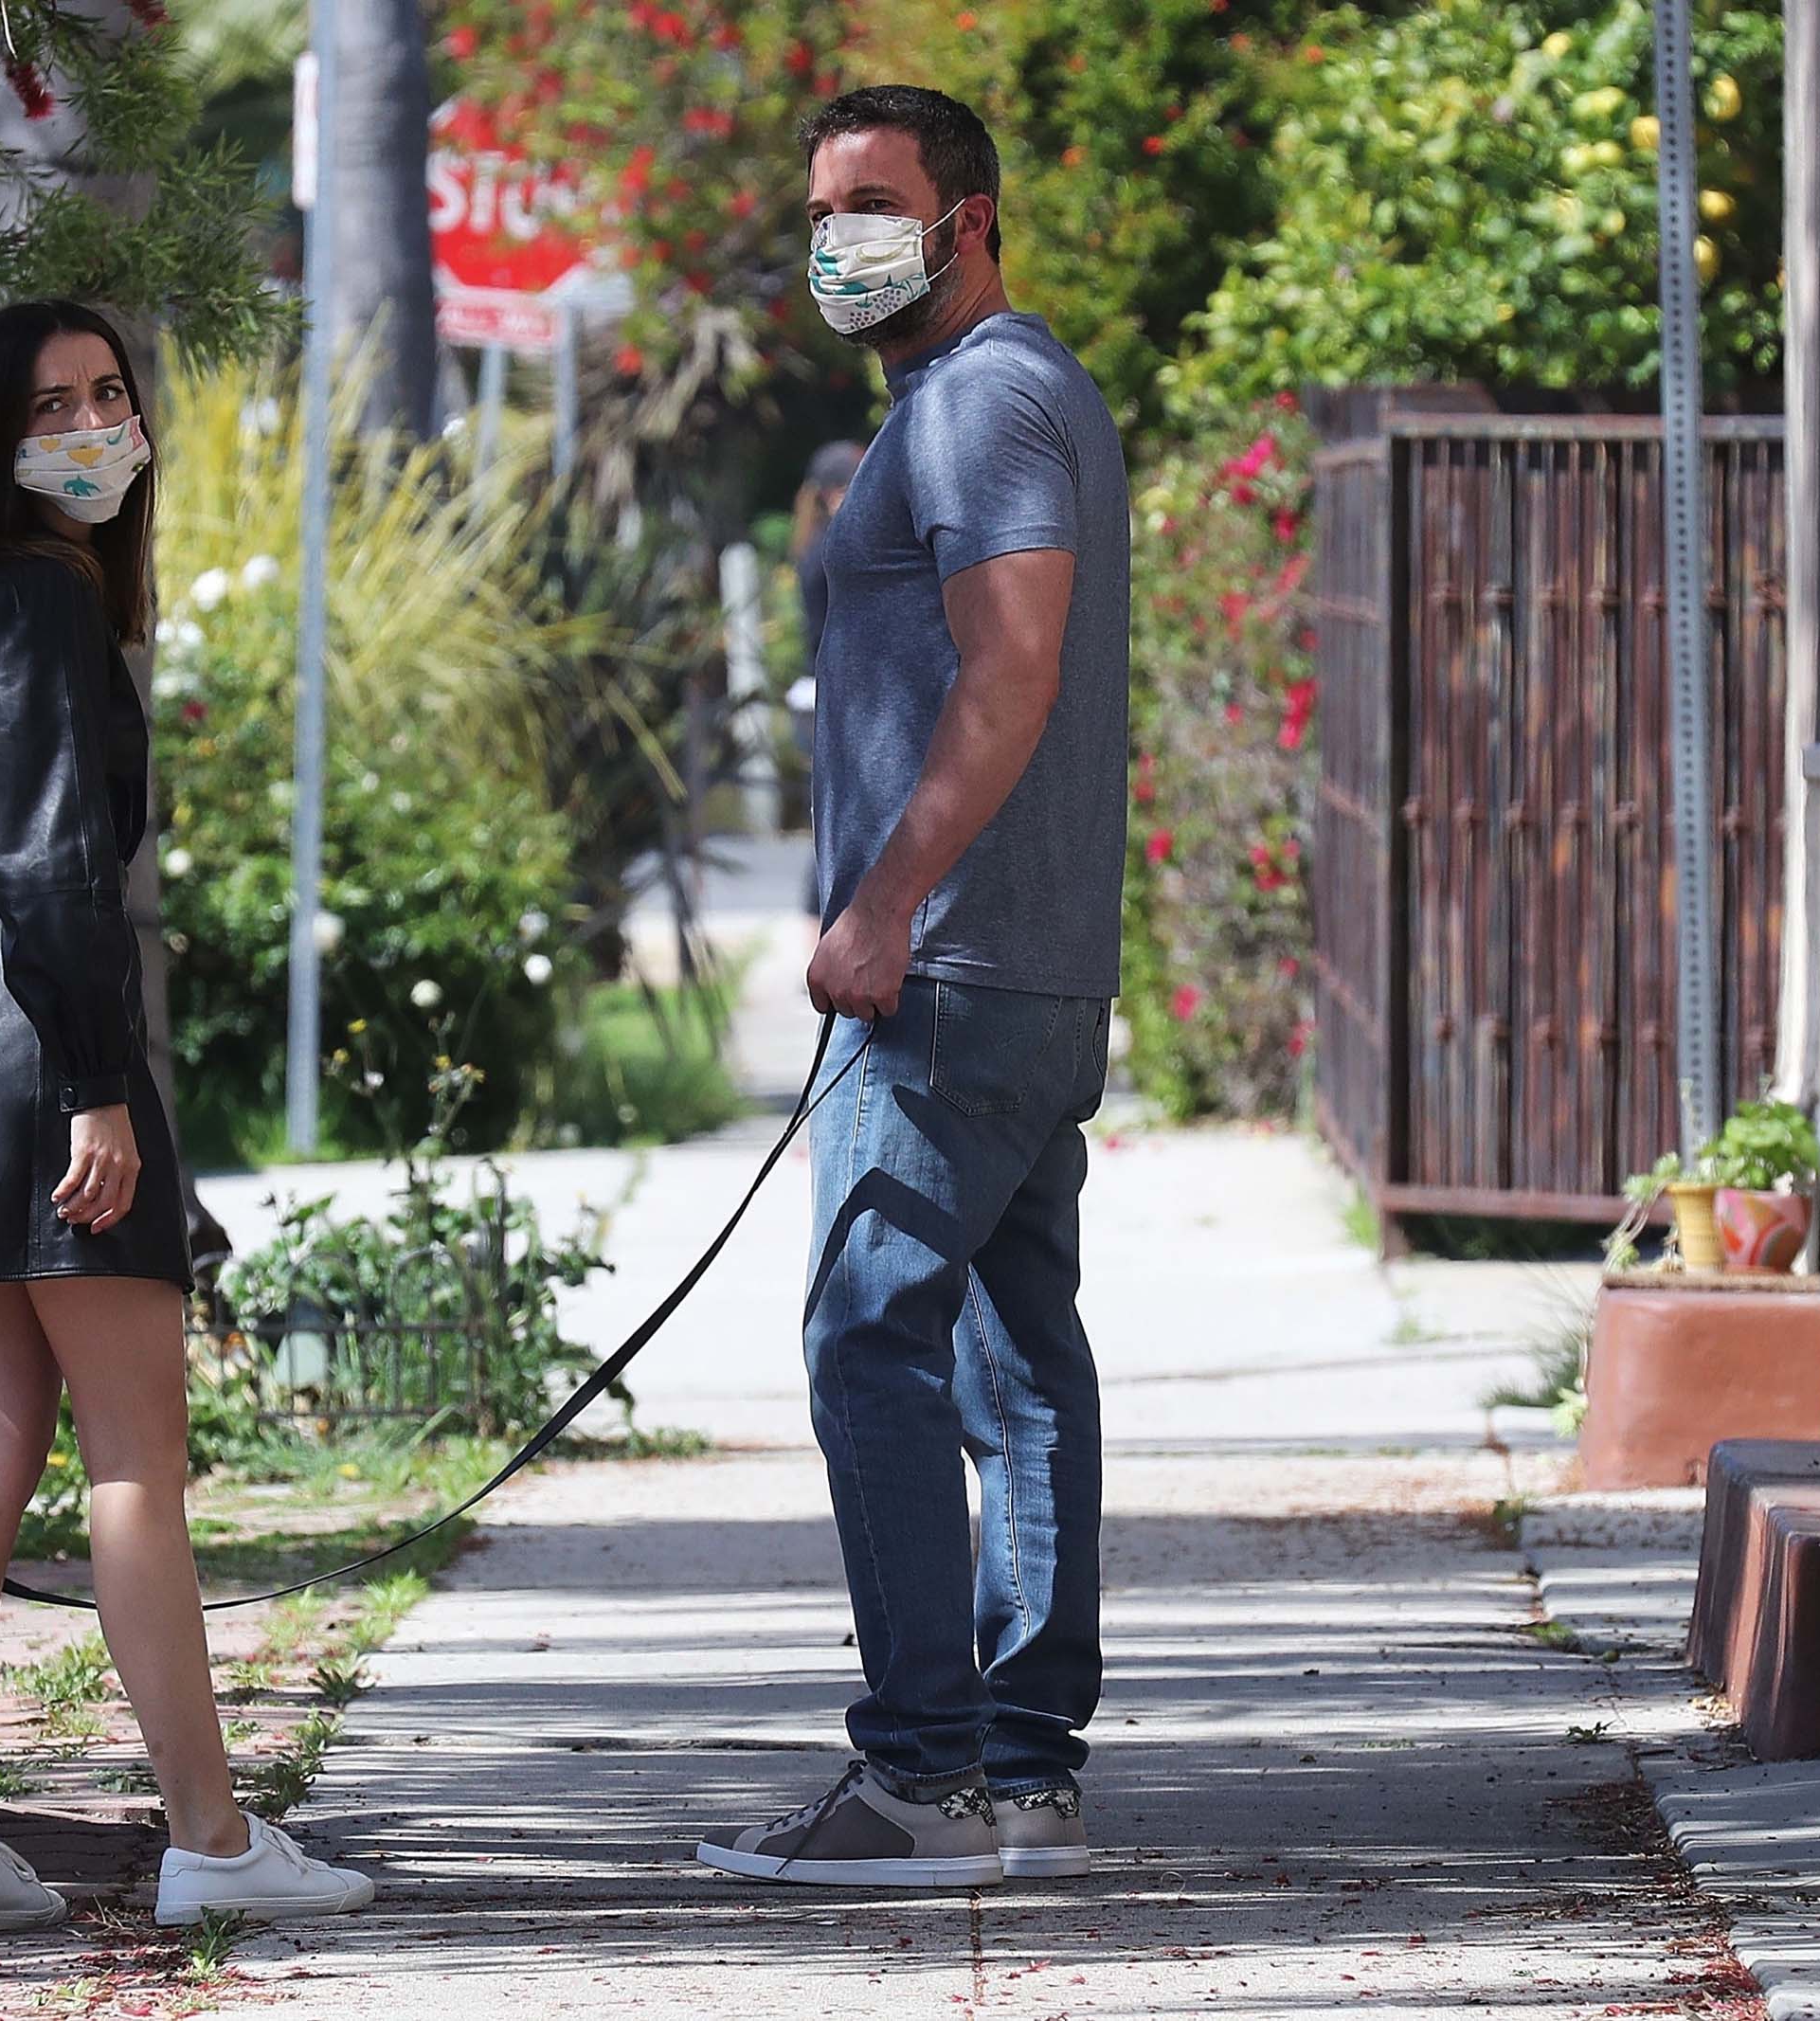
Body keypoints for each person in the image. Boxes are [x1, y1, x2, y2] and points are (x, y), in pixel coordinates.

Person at [0, 299, 377, 1941]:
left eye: (108, 394)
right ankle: (211, 1836)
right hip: (37, 1046)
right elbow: (52, 865)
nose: (94, 427)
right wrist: (94, 1080)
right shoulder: (44, 602)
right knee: (138, 1465)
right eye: (52, 406)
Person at [696, 85, 1128, 1889]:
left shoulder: (981, 402)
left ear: (972, 219)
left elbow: (1010, 672)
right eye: (820, 211)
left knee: (867, 1339)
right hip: (1021, 965)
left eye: (875, 203)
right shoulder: (1009, 396)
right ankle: (1021, 1774)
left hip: (948, 971)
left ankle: (920, 1775)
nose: (839, 240)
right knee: (1013, 1358)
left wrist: (883, 906)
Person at [789, 438, 868, 912]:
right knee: (845, 817)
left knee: (831, 815)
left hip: (815, 690)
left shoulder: (811, 544)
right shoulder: (834, 548)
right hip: (836, 695)